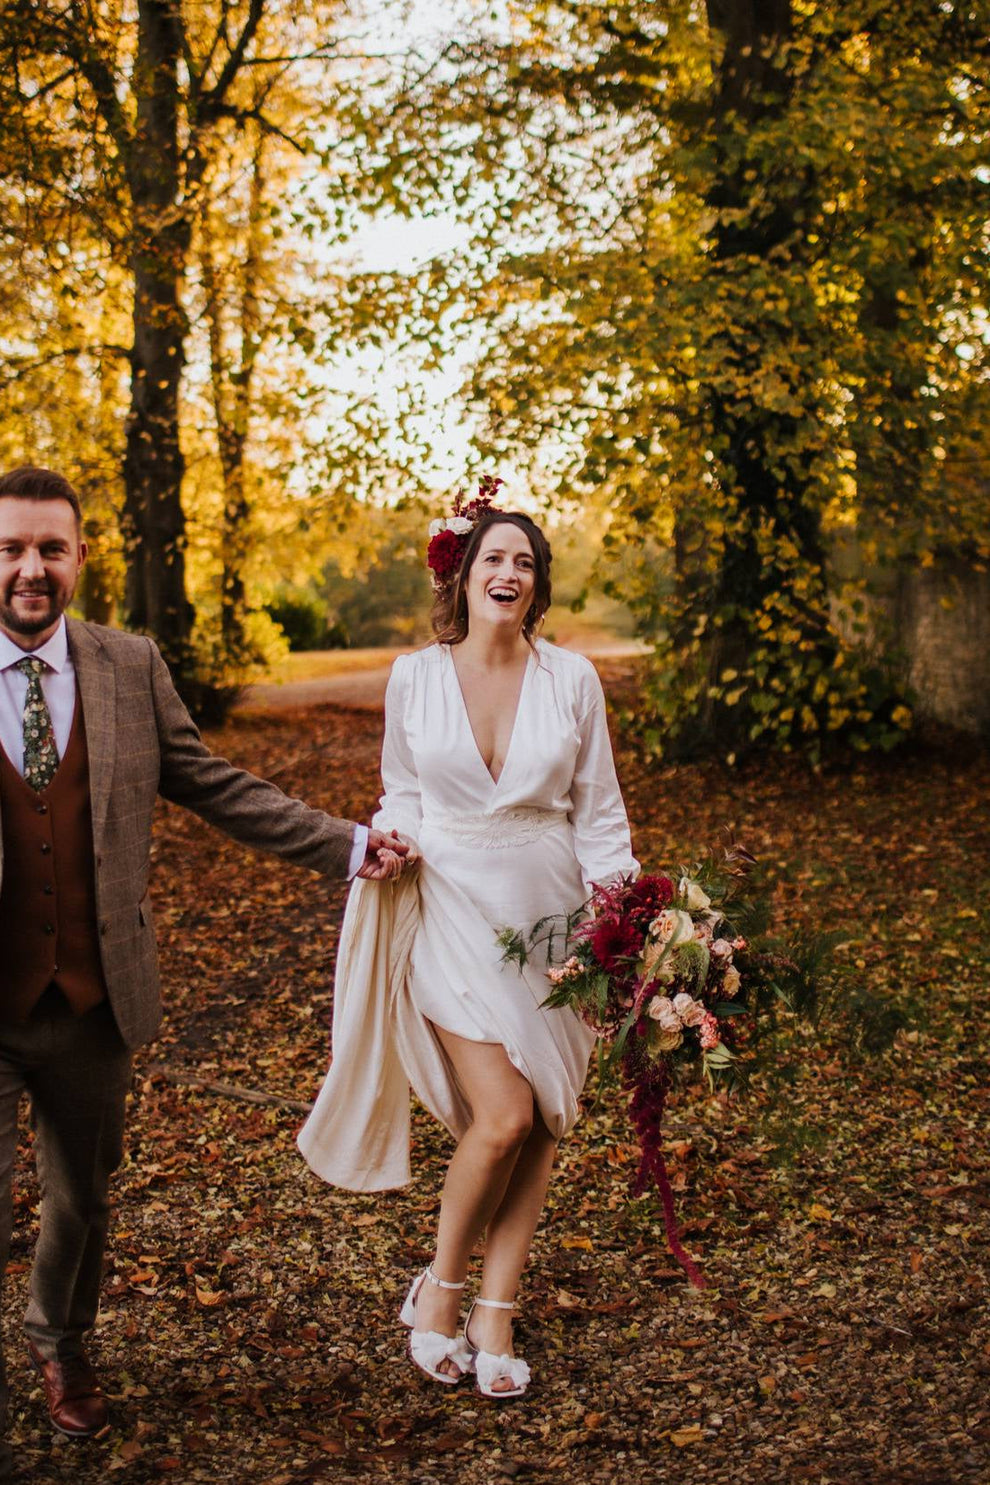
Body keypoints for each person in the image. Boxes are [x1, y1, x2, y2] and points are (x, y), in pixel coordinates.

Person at [0, 465, 406, 1465]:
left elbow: (217, 785)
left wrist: (348, 844)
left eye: (51, 548)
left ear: (82, 557)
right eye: (11, 548)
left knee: (83, 1200)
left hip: (93, 996)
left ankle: (63, 1346)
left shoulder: (129, 667)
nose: (30, 569)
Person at [299, 485, 637, 1398]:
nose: (510, 571)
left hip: (555, 928)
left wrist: (620, 925)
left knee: (542, 1124)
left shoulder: (573, 681)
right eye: (495, 556)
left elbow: (599, 814)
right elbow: (401, 791)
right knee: (504, 1116)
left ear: (538, 585)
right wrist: (389, 838)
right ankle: (439, 1295)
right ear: (465, 572)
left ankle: (497, 1308)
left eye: (525, 561)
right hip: (447, 910)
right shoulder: (414, 674)